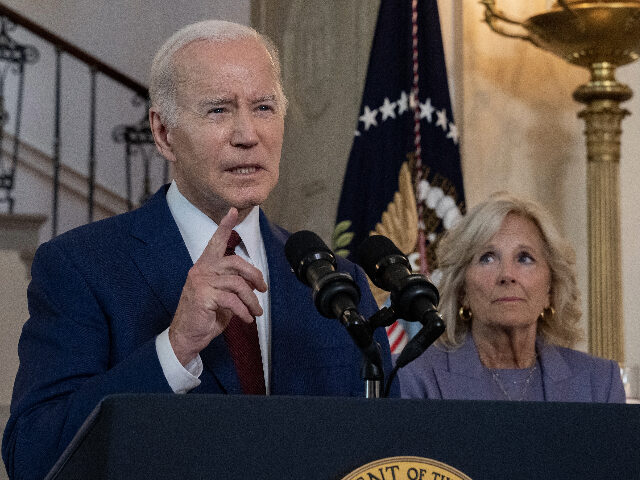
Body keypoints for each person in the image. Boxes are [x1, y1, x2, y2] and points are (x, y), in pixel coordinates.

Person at [2, 20, 396, 480]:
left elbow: (388, 453)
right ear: (164, 133)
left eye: (264, 107)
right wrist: (175, 348)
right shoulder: (80, 267)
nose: (248, 134)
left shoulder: (336, 284)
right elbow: (34, 456)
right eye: (218, 111)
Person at [398, 192, 625, 403]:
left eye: (525, 258)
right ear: (462, 290)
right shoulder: (416, 378)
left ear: (550, 290)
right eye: (487, 258)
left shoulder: (600, 384)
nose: (507, 275)